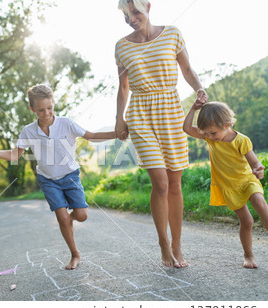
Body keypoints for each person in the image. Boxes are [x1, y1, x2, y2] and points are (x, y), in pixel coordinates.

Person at [114, 0, 208, 268]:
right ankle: (163, 243)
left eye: (135, 12)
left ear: (148, 7)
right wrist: (119, 118)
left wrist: (200, 89)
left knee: (175, 183)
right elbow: (123, 87)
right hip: (140, 113)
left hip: (171, 111)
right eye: (125, 14)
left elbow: (187, 69)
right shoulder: (121, 46)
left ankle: (177, 245)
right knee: (161, 182)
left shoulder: (173, 33)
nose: (131, 19)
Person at [0, 84, 116, 270]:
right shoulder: (28, 131)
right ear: (32, 109)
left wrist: (117, 133)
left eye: (50, 108)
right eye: (41, 110)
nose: (46, 113)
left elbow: (91, 136)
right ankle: (75, 254)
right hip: (48, 180)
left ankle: (69, 219)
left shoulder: (66, 124)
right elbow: (14, 155)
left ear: (53, 104)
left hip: (70, 176)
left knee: (82, 216)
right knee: (61, 217)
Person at [183, 101, 268, 268]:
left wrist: (258, 169)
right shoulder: (211, 138)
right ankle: (248, 255)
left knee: (259, 202)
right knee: (247, 222)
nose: (210, 136)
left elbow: (254, 162)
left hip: (247, 180)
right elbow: (186, 128)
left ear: (227, 125)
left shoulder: (241, 140)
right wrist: (193, 108)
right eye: (206, 133)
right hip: (229, 187)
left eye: (213, 132)